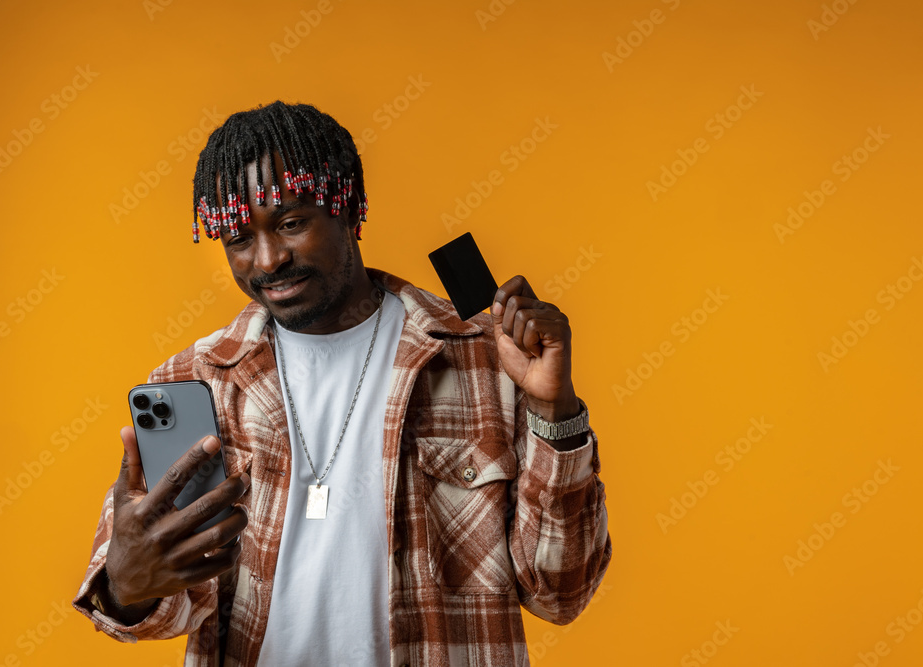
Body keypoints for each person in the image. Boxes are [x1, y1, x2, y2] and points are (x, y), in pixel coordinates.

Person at [72, 100, 611, 666]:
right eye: (238, 237)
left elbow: (560, 594)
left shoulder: (484, 358)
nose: (268, 260)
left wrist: (554, 409)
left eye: (290, 223)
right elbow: (158, 607)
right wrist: (125, 588)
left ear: (349, 208)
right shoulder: (194, 382)